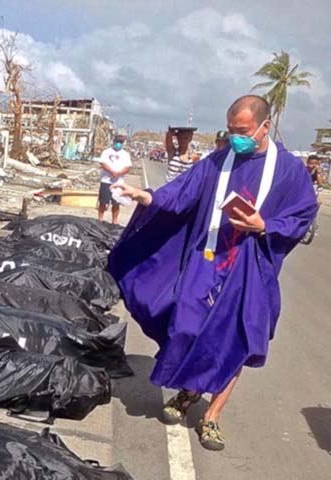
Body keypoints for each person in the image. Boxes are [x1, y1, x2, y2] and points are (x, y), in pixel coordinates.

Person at [107, 95, 318, 451]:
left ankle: (211, 417)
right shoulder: (219, 161)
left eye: (244, 131)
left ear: (265, 127)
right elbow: (182, 193)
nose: (236, 137)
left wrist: (264, 224)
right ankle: (188, 392)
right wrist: (145, 196)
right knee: (187, 328)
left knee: (235, 341)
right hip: (208, 260)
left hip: (250, 267)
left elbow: (302, 214)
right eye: (232, 130)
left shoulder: (289, 170)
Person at [97, 135, 132, 224]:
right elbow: (103, 163)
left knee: (116, 203)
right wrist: (112, 172)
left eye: (120, 142)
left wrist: (119, 173)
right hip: (106, 180)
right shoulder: (106, 152)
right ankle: (100, 219)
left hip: (118, 182)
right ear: (113, 141)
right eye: (117, 142)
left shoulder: (125, 154)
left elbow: (128, 167)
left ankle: (114, 221)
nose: (118, 144)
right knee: (103, 202)